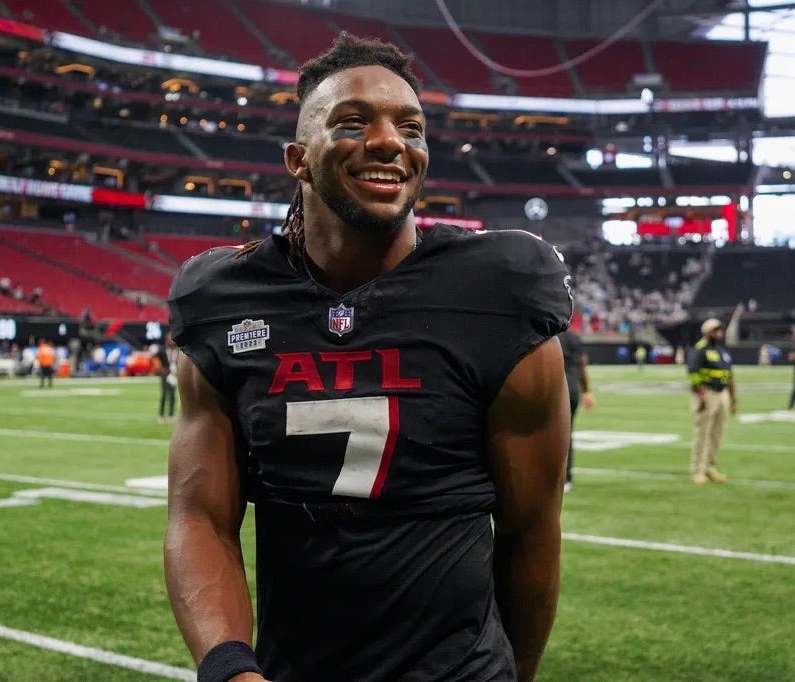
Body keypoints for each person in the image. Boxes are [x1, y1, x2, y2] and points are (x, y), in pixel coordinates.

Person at [164, 33, 573, 682]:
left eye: (409, 127)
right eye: (353, 122)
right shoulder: (223, 298)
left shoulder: (501, 289)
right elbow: (201, 517)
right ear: (299, 160)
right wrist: (230, 668)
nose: (389, 141)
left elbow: (531, 529)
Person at [686, 318, 736, 484]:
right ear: (707, 332)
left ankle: (709, 467)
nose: (718, 333)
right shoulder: (700, 349)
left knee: (717, 434)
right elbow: (693, 373)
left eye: (719, 330)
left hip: (721, 394)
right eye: (715, 330)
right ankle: (697, 470)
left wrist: (733, 398)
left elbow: (729, 376)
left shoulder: (723, 351)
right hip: (706, 393)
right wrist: (700, 396)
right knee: (702, 433)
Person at [557, 328, 594, 493]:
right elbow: (582, 364)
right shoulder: (573, 338)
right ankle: (566, 478)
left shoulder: (547, 335)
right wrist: (586, 391)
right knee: (566, 434)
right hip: (572, 386)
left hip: (554, 385)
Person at [152, 336, 179, 423]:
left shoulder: (178, 350)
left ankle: (171, 415)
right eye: (169, 339)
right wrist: (160, 369)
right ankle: (161, 415)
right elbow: (153, 359)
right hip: (165, 375)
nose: (171, 341)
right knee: (164, 394)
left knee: (172, 395)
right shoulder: (162, 350)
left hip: (174, 375)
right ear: (166, 340)